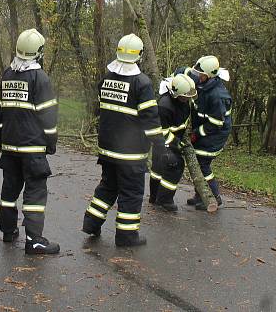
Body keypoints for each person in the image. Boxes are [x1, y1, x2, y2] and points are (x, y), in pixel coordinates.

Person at [82, 34, 163, 247]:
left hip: (107, 149)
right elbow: (151, 120)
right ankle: (127, 236)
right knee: (131, 192)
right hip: (130, 153)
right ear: (140, 55)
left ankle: (91, 223)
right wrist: (161, 146)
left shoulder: (107, 78)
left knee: (108, 186)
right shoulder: (142, 83)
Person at [0, 29, 60, 255]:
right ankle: (34, 240)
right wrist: (51, 142)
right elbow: (48, 117)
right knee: (35, 193)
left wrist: (0, 140)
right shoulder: (40, 78)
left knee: (9, 191)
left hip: (10, 147)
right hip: (32, 149)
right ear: (39, 52)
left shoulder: (7, 75)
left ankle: (8, 231)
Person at [186, 55, 232, 210]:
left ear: (209, 75)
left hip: (214, 134)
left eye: (200, 74)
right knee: (198, 163)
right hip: (205, 132)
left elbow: (216, 123)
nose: (197, 76)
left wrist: (196, 133)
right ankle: (201, 194)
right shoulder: (204, 85)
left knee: (202, 164)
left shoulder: (217, 96)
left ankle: (214, 196)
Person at [149, 74, 197, 211]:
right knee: (175, 165)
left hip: (172, 140)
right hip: (164, 141)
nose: (188, 98)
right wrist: (176, 144)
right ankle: (165, 200)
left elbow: (180, 124)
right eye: (186, 96)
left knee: (158, 168)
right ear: (177, 94)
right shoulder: (164, 107)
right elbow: (162, 133)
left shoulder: (182, 102)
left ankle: (155, 197)